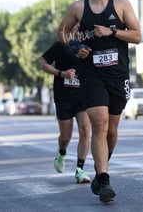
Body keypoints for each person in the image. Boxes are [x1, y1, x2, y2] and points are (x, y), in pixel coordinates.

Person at [57, 0, 142, 203]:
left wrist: (112, 32)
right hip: (91, 74)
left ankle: (100, 168)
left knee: (112, 131)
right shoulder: (78, 7)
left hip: (117, 75)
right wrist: (76, 46)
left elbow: (137, 35)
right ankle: (103, 179)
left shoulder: (122, 4)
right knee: (100, 125)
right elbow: (61, 33)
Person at [41, 40, 91, 184]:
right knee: (65, 136)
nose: (78, 25)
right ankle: (61, 152)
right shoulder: (60, 45)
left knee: (85, 130)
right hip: (64, 96)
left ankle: (80, 170)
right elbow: (44, 65)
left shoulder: (88, 43)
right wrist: (61, 73)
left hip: (83, 95)